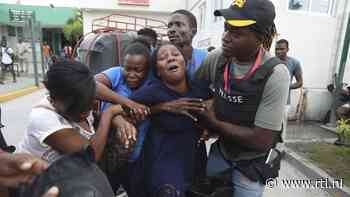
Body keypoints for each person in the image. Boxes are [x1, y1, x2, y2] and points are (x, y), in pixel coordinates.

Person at [194, 0, 290, 196]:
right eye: (226, 28)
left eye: (236, 33)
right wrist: (209, 104)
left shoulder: (276, 74)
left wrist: (213, 123)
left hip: (251, 164)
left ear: (260, 38)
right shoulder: (217, 59)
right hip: (221, 153)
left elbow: (261, 140)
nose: (225, 38)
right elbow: (196, 93)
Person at [122, 43, 209, 197]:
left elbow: (215, 103)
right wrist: (161, 107)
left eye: (175, 54)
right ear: (158, 72)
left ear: (185, 62)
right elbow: (120, 110)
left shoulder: (198, 88)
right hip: (163, 164)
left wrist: (209, 124)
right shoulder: (152, 92)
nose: (170, 58)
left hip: (194, 161)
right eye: (163, 58)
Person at [16, 60, 126, 165]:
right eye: (80, 110)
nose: (87, 114)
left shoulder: (82, 98)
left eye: (89, 107)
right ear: (55, 99)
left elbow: (95, 88)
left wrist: (122, 113)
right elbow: (91, 157)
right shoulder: (43, 118)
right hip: (36, 181)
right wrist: (108, 114)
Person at [167, 9, 208, 80]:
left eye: (178, 25)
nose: (171, 30)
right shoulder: (161, 59)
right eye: (169, 26)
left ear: (193, 32)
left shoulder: (206, 59)